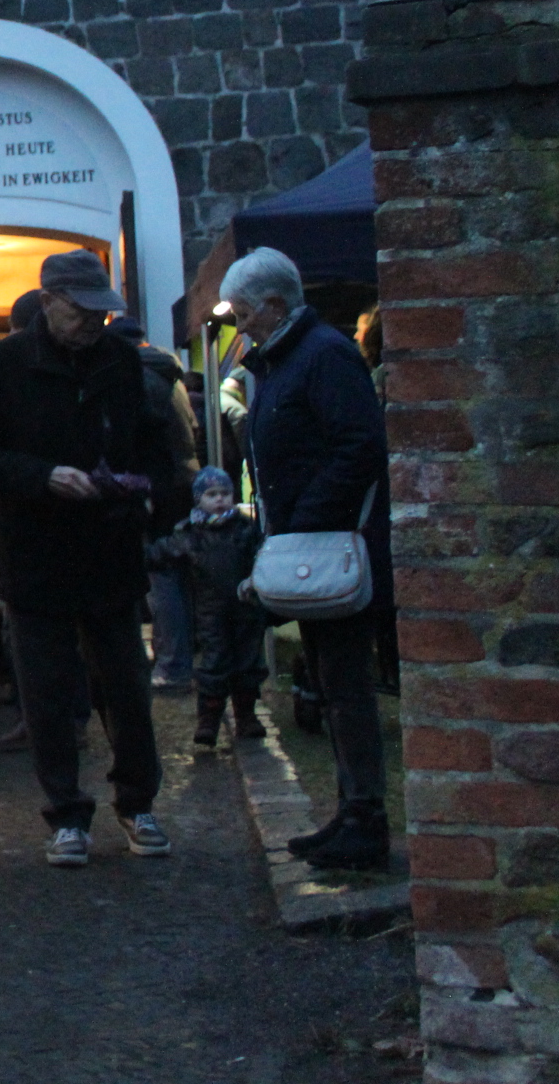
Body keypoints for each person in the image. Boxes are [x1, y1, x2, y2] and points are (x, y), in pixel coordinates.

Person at [0, 250, 186, 869]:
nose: (94, 323)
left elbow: (153, 443)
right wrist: (42, 476)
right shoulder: (4, 365)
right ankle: (65, 813)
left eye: (101, 313)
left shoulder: (118, 359)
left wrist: (144, 493)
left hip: (109, 551)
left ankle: (138, 803)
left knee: (126, 686)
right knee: (47, 695)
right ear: (51, 301)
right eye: (83, 312)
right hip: (34, 557)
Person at [222, 247, 394, 870]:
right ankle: (352, 812)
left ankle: (365, 819)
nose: (239, 325)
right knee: (334, 683)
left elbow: (359, 445)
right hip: (313, 543)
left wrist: (304, 523)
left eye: (244, 313)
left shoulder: (320, 356)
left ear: (274, 305)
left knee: (347, 687)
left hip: (330, 546)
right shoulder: (294, 358)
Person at [149, 467, 266, 748]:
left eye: (225, 494)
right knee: (213, 662)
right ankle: (208, 719)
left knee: (248, 660)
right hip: (208, 611)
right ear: (199, 499)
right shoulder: (190, 533)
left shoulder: (244, 529)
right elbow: (162, 553)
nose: (220, 500)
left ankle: (246, 715)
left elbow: (261, 554)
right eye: (212, 495)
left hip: (245, 607)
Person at [115, 319, 201, 696]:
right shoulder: (167, 373)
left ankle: (173, 664)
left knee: (160, 574)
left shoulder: (142, 378)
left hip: (160, 488)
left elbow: (140, 441)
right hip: (180, 482)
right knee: (172, 576)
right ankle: (175, 658)